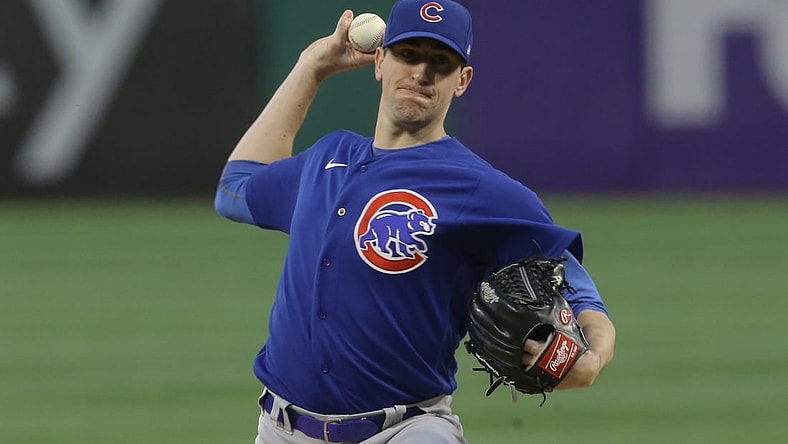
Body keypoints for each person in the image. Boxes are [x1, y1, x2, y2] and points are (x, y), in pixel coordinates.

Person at [215, 0, 616, 442]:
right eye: (408, 55)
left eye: (440, 63)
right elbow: (235, 190)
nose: (421, 73)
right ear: (380, 61)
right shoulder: (329, 158)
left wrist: (591, 356)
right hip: (280, 429)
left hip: (407, 428)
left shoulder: (480, 188)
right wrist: (311, 66)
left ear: (461, 80)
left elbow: (573, 282)